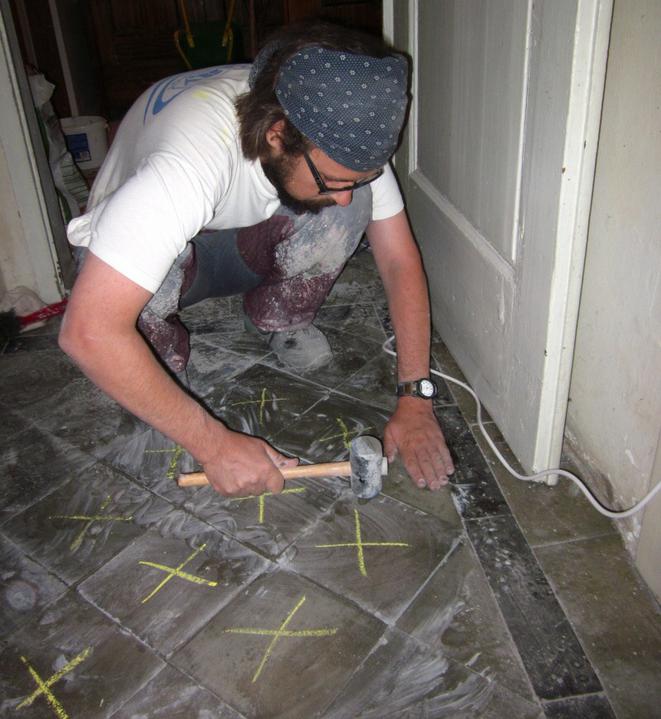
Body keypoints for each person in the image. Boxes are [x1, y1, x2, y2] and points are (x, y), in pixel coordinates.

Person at [59, 21, 455, 497]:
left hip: (242, 239)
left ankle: (278, 315)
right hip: (159, 261)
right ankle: (160, 355)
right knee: (134, 338)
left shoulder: (339, 126)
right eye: (334, 180)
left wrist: (416, 397)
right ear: (277, 134)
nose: (344, 195)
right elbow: (89, 331)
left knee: (354, 206)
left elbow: (397, 260)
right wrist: (213, 445)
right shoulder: (186, 165)